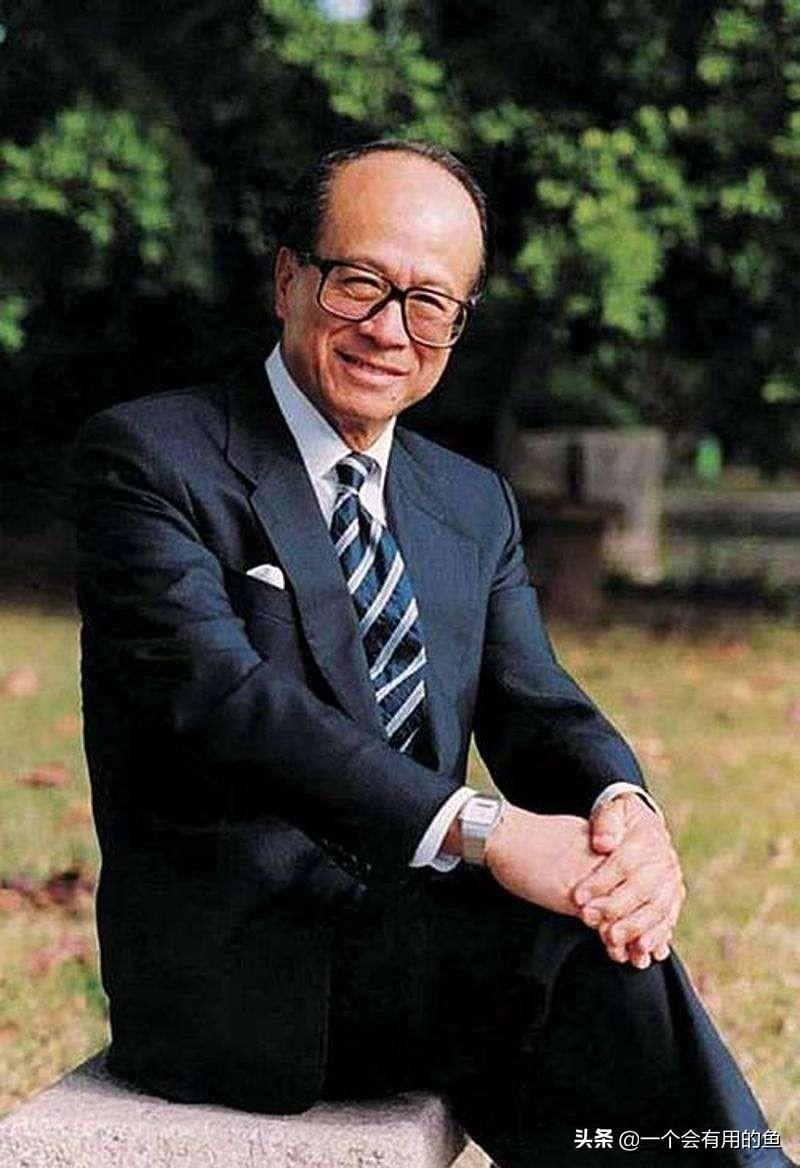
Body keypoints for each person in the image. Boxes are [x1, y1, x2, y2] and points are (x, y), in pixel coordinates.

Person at [74, 140, 793, 1168]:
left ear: (458, 322)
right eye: (358, 282)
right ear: (289, 278)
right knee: (569, 953)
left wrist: (624, 817)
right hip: (239, 969)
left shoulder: (468, 500)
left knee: (599, 942)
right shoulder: (152, 458)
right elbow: (224, 702)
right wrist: (488, 831)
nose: (389, 329)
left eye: (430, 303)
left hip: (424, 942)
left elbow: (537, 704)